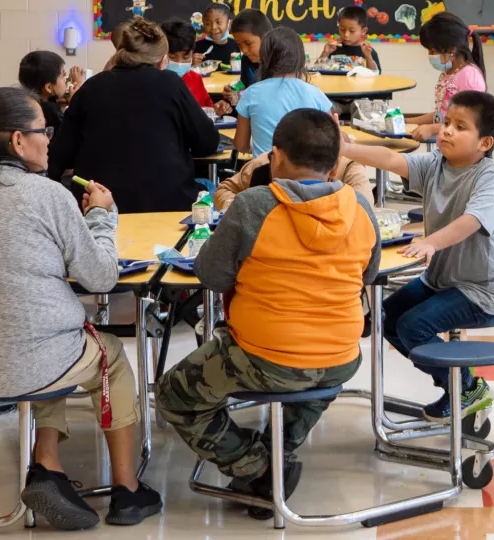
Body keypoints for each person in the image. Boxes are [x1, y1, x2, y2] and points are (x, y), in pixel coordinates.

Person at [0, 87, 163, 529]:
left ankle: (47, 464)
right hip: (31, 355)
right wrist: (102, 218)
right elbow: (101, 277)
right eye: (43, 131)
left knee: (53, 345)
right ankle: (128, 490)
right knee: (106, 354)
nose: (49, 139)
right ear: (17, 141)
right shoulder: (45, 195)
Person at [157, 109, 380, 520]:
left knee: (173, 395)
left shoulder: (255, 204)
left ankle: (256, 466)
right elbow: (368, 273)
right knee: (314, 382)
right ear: (334, 163)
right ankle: (280, 454)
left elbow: (211, 274)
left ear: (275, 156)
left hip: (264, 356)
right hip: (340, 358)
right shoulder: (361, 209)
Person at [340, 90, 494, 422]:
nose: (446, 130)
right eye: (446, 122)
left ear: (484, 143)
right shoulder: (436, 164)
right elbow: (391, 160)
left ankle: (465, 387)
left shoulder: (491, 176)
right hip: (439, 281)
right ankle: (459, 387)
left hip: (481, 290)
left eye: (460, 127)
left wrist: (431, 242)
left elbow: (472, 220)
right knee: (386, 318)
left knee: (412, 326)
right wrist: (346, 148)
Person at [48, 17, 220, 214]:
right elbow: (207, 142)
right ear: (162, 58)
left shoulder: (91, 87)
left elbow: (62, 154)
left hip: (98, 206)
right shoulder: (170, 84)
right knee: (210, 190)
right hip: (167, 203)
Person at [233, 27, 333, 157]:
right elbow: (332, 140)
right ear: (300, 57)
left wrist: (257, 147)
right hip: (307, 172)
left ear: (264, 58)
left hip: (265, 174)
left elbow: (240, 145)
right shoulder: (315, 93)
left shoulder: (250, 93)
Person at [406, 12, 486, 143]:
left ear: (452, 50)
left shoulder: (469, 77)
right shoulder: (449, 72)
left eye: (432, 51)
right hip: (447, 146)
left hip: (462, 151)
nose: (429, 55)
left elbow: (467, 122)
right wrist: (408, 121)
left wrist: (432, 129)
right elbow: (441, 114)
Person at [214, 151, 374, 209]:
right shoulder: (263, 164)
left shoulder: (349, 167)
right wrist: (239, 208)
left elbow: (365, 211)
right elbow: (224, 190)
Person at [214, 9, 272, 116]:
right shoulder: (246, 60)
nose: (243, 50)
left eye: (248, 43)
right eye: (239, 45)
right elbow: (244, 88)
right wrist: (231, 96)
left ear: (266, 38)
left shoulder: (279, 62)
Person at [19, 50, 85, 133]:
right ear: (49, 87)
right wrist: (76, 101)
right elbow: (71, 133)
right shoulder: (49, 109)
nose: (66, 81)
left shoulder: (27, 102)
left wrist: (61, 107)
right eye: (63, 76)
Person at [161, 19, 214, 108]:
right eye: (171, 57)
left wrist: (216, 109)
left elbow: (207, 108)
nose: (179, 63)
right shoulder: (154, 82)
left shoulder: (195, 79)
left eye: (186, 57)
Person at [319, 6, 381, 72]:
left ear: (363, 31)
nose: (346, 35)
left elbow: (376, 76)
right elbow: (317, 70)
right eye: (342, 29)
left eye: (352, 31)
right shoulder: (333, 49)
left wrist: (368, 57)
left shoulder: (369, 52)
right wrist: (325, 53)